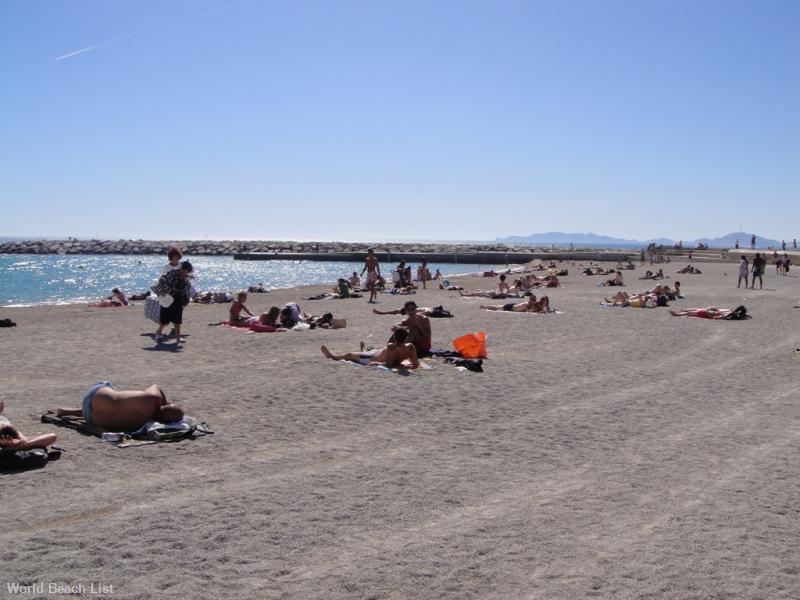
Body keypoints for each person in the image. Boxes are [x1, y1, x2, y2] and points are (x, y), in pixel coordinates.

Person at [56, 383, 185, 432]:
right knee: (119, 409)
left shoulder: (153, 399)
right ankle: (74, 411)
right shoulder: (143, 426)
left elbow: (156, 386)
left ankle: (71, 410)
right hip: (92, 419)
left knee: (113, 394)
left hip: (94, 396)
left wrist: (163, 401)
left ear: (166, 405)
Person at [320, 327, 419, 369]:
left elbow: (389, 365)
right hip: (376, 353)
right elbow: (415, 364)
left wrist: (378, 363)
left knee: (349, 355)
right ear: (406, 338)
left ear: (394, 338)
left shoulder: (392, 347)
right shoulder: (410, 347)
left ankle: (332, 356)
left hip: (370, 358)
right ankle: (362, 350)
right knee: (371, 351)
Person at [155, 260, 193, 344]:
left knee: (177, 319)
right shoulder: (173, 273)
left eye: (189, 272)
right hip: (169, 298)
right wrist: (162, 291)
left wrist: (186, 301)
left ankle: (178, 338)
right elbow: (162, 279)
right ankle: (158, 332)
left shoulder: (186, 277)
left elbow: (186, 290)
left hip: (179, 299)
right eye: (187, 271)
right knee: (165, 320)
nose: (188, 273)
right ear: (183, 269)